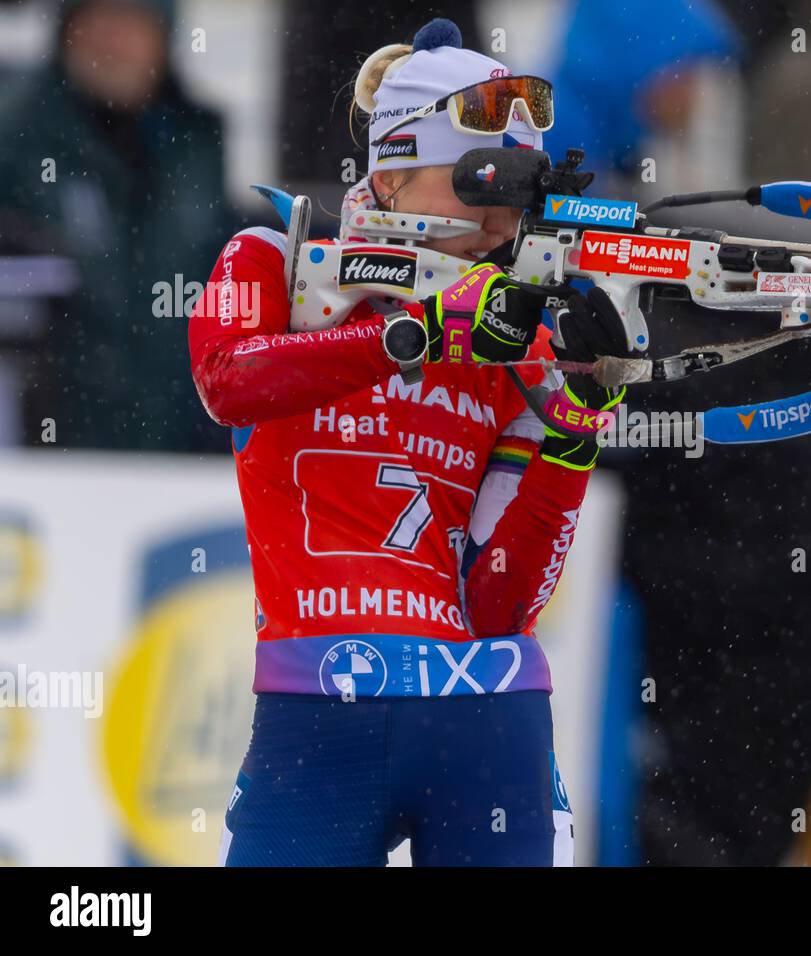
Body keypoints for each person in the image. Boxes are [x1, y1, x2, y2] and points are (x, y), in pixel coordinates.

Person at [188, 18, 628, 866]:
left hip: (483, 712)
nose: (504, 216)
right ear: (390, 169)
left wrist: (576, 424)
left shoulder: (518, 331)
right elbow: (228, 379)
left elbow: (498, 605)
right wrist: (414, 334)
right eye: (479, 181)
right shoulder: (276, 260)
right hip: (316, 707)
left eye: (522, 191)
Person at [0, 0, 232, 450]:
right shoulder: (16, 136)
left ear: (164, 38)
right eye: (99, 20)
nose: (113, 43)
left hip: (178, 448)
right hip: (45, 452)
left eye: (132, 23)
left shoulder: (197, 141)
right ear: (66, 31)